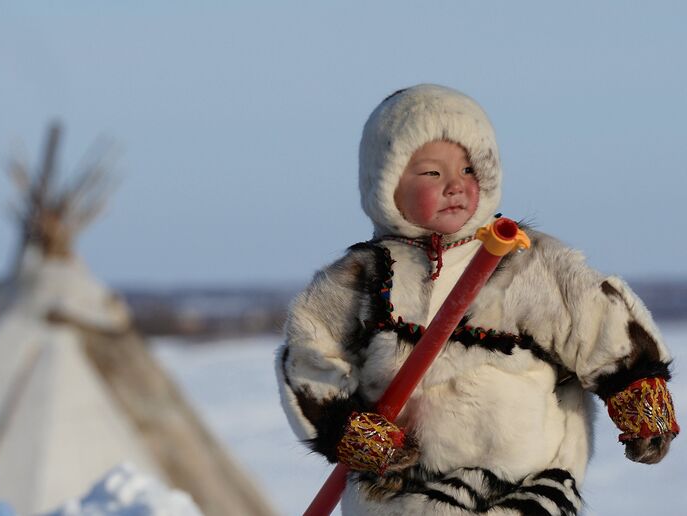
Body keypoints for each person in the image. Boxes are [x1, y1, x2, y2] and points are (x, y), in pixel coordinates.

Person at [275, 84, 679, 515]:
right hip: (402, 488)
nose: (455, 185)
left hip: (524, 480)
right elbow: (310, 354)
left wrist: (638, 393)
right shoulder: (360, 279)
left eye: (469, 170)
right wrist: (348, 429)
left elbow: (598, 319)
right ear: (386, 184)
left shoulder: (528, 263)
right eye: (432, 173)